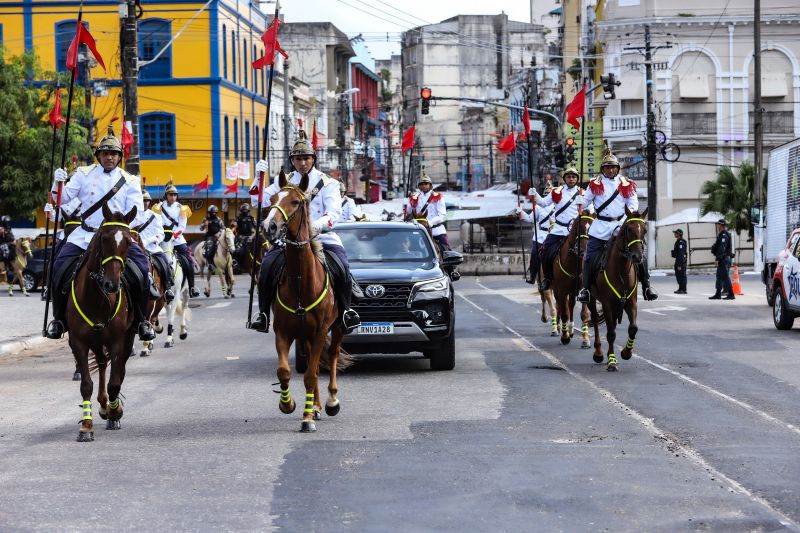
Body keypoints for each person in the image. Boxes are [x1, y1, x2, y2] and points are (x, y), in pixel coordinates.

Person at [45, 125, 157, 340]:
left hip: (117, 238)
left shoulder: (130, 181)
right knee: (58, 266)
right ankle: (58, 320)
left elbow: (136, 213)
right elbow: (61, 200)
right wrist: (58, 182)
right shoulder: (83, 174)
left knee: (143, 271)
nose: (109, 158)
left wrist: (120, 230)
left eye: (114, 154)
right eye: (105, 153)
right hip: (85, 234)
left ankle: (142, 321)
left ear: (119, 157)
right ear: (98, 156)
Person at [248, 130, 361, 333]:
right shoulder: (284, 181)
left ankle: (346, 312)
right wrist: (258, 178)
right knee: (266, 268)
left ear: (313, 159)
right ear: (293, 160)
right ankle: (263, 314)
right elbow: (260, 201)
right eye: (298, 159)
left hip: (322, 235)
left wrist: (313, 227)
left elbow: (334, 213)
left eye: (306, 158)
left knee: (342, 267)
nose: (302, 163)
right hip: (288, 239)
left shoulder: (329, 183)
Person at [577, 150, 658, 303]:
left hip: (621, 226)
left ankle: (647, 287)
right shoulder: (595, 183)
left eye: (613, 167)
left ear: (618, 168)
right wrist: (580, 200)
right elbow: (586, 202)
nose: (611, 170)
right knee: (589, 257)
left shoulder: (625, 183)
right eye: (608, 167)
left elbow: (632, 203)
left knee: (639, 254)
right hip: (600, 226)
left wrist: (634, 214)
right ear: (603, 169)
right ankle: (586, 290)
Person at [530, 167, 584, 290]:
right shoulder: (556, 192)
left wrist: (584, 204)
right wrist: (535, 194)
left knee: (590, 252)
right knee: (544, 249)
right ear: (565, 179)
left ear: (577, 179)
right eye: (569, 177)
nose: (571, 179)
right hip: (559, 229)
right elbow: (543, 203)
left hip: (576, 231)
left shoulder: (583, 193)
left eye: (574, 177)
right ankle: (548, 278)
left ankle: (589, 283)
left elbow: (591, 211)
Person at [155, 183, 200, 298]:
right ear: (166, 195)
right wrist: (163, 235)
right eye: (171, 195)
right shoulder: (158, 207)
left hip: (177, 239)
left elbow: (182, 226)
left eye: (175, 195)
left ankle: (192, 287)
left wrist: (173, 236)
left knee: (188, 261)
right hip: (163, 239)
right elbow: (157, 223)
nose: (173, 197)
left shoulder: (182, 208)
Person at [133, 190, 173, 302]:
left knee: (165, 263)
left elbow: (161, 234)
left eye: (147, 201)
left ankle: (168, 288)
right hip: (136, 248)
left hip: (152, 248)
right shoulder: (132, 215)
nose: (145, 203)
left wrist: (150, 240)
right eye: (143, 200)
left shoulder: (155, 216)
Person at [403, 172, 448, 252]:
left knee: (446, 249)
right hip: (418, 230)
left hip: (435, 229)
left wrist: (430, 223)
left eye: (426, 184)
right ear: (419, 186)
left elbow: (442, 215)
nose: (424, 186)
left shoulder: (437, 196)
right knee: (411, 249)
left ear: (430, 185)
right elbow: (408, 213)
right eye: (422, 184)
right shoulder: (414, 197)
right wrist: (406, 203)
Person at [516, 201, 551, 285]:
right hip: (539, 235)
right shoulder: (538, 208)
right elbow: (530, 218)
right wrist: (521, 212)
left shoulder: (557, 206)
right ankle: (532, 275)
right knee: (534, 254)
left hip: (552, 233)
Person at [709, 218, 734, 300]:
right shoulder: (721, 234)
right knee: (719, 276)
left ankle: (731, 294)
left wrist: (718, 258)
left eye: (718, 225)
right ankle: (718, 294)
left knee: (725, 276)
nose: (717, 226)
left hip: (723, 258)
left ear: (721, 225)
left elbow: (721, 248)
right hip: (722, 258)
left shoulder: (724, 235)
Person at [672, 228, 687, 294]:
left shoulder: (681, 242)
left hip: (680, 261)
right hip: (678, 260)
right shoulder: (678, 241)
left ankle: (683, 289)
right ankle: (680, 288)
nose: (674, 234)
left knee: (681, 275)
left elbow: (681, 254)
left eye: (676, 233)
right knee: (678, 275)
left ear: (679, 234)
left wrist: (679, 264)